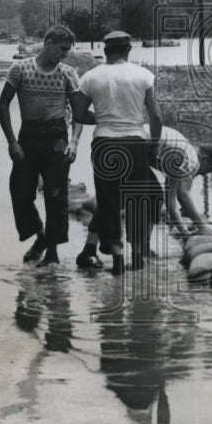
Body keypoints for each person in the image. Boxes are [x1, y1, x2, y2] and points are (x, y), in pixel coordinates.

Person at [72, 30, 163, 275]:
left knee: (108, 200)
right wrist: (153, 147)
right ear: (128, 50)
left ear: (105, 51)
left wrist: (103, 117)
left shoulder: (90, 77)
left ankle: (117, 256)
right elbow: (155, 116)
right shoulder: (143, 75)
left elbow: (78, 114)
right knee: (137, 199)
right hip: (135, 143)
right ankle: (137, 254)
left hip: (104, 144)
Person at [0, 24, 85, 266]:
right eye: (62, 49)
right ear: (48, 43)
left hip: (57, 138)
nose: (65, 54)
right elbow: (3, 104)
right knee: (20, 192)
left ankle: (52, 254)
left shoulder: (68, 73)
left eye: (68, 50)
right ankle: (41, 235)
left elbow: (79, 112)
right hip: (28, 136)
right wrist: (12, 141)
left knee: (56, 196)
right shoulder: (20, 68)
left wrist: (75, 142)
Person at [76, 125, 212, 261]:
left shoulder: (180, 153)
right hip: (136, 145)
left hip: (121, 142)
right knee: (154, 198)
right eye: (207, 170)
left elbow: (171, 206)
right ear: (205, 159)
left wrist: (184, 232)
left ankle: (89, 249)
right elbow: (183, 196)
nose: (202, 175)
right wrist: (201, 225)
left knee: (116, 197)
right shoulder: (192, 160)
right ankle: (140, 251)